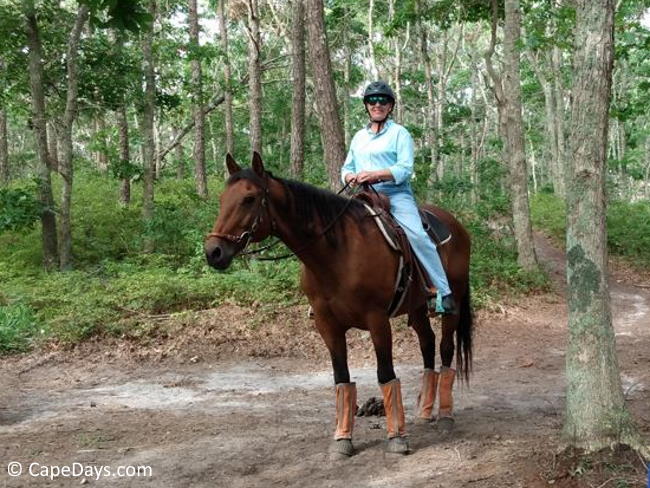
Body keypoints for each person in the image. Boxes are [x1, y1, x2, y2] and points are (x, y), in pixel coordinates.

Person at [341, 81, 457, 315]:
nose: (377, 105)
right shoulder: (358, 137)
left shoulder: (399, 133)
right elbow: (346, 168)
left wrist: (376, 174)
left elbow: (405, 169)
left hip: (395, 194)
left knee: (417, 235)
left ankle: (443, 294)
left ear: (390, 106)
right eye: (372, 101)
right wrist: (350, 176)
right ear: (366, 106)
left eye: (383, 101)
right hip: (363, 195)